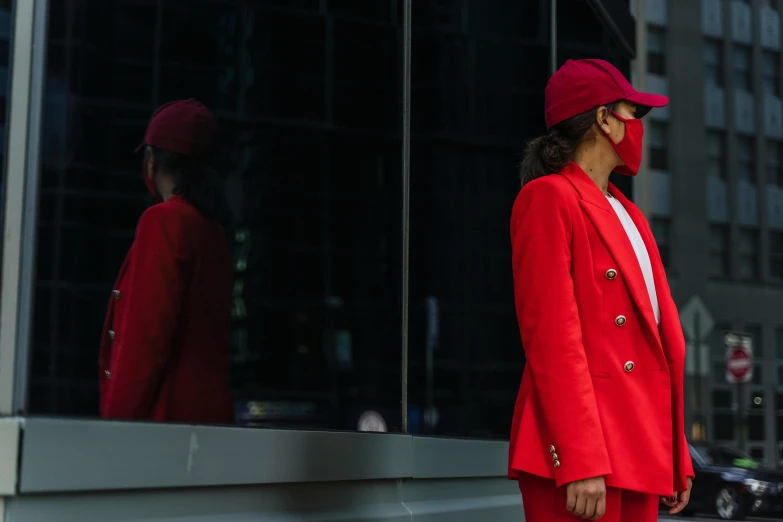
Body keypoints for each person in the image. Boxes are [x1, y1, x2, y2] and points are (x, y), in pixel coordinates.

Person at [508, 59, 693, 521]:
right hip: (584, 454)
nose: (637, 127)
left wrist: (676, 454)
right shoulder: (549, 197)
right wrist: (579, 456)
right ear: (603, 118)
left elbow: (659, 345)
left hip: (639, 447)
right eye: (633, 113)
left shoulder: (632, 217)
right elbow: (552, 339)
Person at [98, 99, 234, 425]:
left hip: (165, 426)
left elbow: (144, 344)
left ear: (150, 160)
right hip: (210, 424)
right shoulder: (213, 230)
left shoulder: (163, 221)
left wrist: (116, 428)